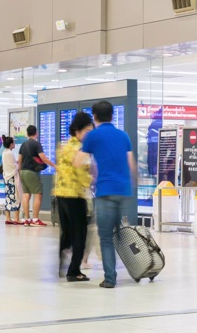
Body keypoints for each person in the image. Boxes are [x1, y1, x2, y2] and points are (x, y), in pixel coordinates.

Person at [74, 101, 137, 288]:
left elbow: (77, 162)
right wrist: (131, 185)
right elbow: (131, 164)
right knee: (119, 233)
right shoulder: (123, 135)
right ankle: (136, 266)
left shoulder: (93, 136)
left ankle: (110, 278)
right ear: (112, 115)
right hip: (123, 190)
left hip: (105, 191)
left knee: (106, 237)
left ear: (94, 116)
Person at [56, 112, 94, 282]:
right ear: (78, 130)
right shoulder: (78, 148)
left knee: (67, 233)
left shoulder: (65, 145)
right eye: (87, 130)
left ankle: (61, 265)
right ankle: (74, 270)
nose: (89, 134)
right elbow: (82, 171)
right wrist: (93, 179)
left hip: (61, 194)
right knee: (80, 233)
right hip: (75, 195)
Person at [18, 125, 56, 226]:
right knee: (38, 194)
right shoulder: (36, 144)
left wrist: (19, 173)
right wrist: (54, 165)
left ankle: (27, 219)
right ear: (36, 133)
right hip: (31, 172)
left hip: (22, 172)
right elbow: (43, 158)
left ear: (27, 133)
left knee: (26, 195)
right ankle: (35, 219)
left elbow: (19, 161)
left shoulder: (23, 145)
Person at [1, 136, 22, 225]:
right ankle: (16, 218)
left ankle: (8, 218)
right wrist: (19, 164)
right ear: (10, 144)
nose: (15, 144)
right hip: (12, 178)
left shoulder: (4, 152)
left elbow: (8, 165)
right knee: (16, 197)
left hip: (7, 177)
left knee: (8, 198)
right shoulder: (9, 153)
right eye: (13, 143)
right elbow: (13, 166)